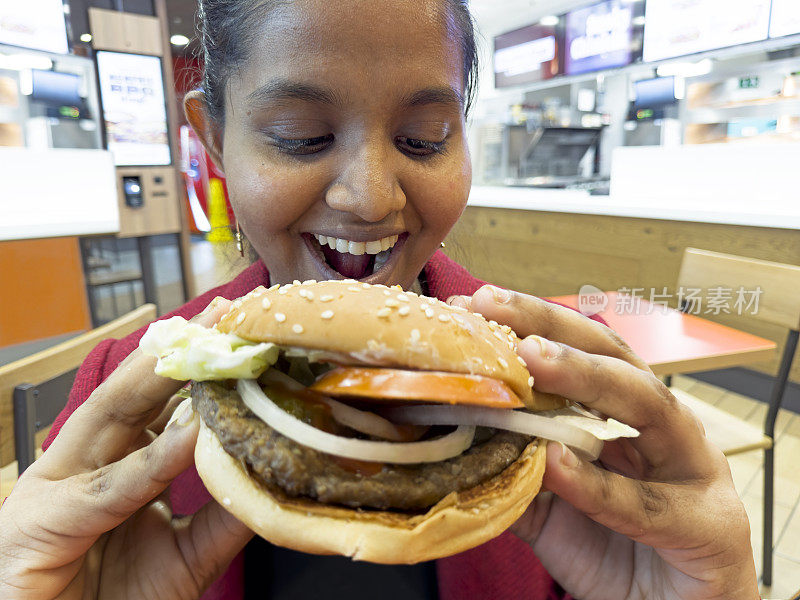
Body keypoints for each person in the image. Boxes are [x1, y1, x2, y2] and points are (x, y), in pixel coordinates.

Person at [0, 1, 760, 598]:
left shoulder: (562, 404)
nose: (368, 196)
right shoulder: (121, 395)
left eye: (425, 139)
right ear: (215, 140)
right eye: (300, 136)